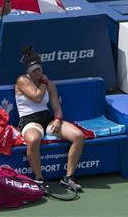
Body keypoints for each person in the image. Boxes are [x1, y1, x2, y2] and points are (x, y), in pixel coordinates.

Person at [15, 47, 86, 192]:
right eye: (34, 70)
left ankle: (69, 177)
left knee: (78, 136)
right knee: (34, 140)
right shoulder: (22, 80)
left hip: (48, 120)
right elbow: (37, 97)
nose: (37, 72)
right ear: (28, 71)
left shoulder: (50, 84)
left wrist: (58, 120)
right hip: (29, 121)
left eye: (39, 69)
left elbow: (57, 108)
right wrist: (44, 83)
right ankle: (39, 180)